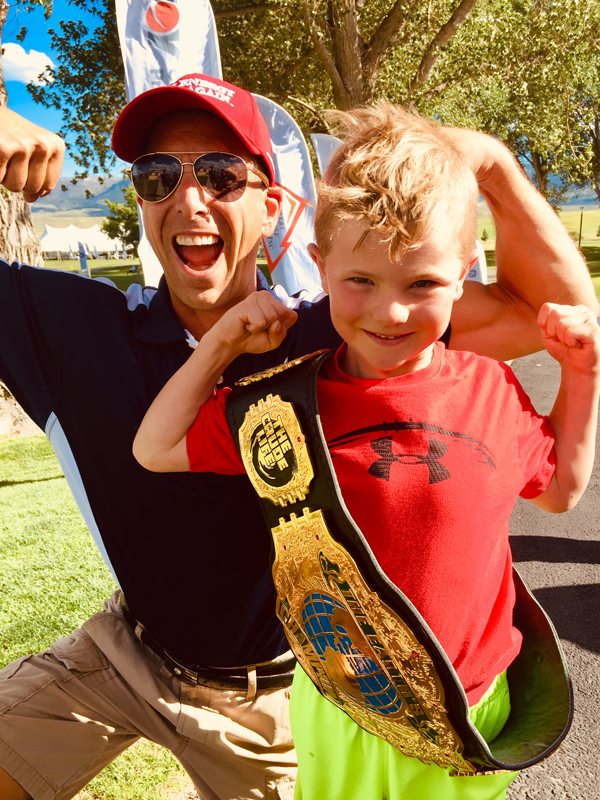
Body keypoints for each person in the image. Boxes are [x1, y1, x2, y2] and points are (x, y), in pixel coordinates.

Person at [0, 72, 596, 800]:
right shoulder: (76, 328)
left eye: (221, 174)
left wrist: (495, 167)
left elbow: (559, 310)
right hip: (126, 651)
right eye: (158, 177)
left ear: (274, 204)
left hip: (292, 699)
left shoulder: (347, 333)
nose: (189, 199)